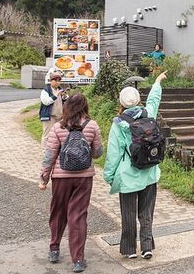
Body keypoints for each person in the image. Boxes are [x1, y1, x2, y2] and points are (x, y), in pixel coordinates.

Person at [103, 70, 168, 260]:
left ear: (121, 104)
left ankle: (130, 249)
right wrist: (157, 82)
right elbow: (154, 100)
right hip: (150, 172)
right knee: (146, 213)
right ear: (139, 100)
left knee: (129, 213)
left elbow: (113, 154)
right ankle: (147, 247)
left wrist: (108, 176)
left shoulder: (119, 123)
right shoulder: (148, 114)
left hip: (128, 177)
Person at [39, 94, 103, 273]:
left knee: (58, 213)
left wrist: (43, 177)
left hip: (61, 178)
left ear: (67, 106)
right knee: (78, 216)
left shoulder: (58, 127)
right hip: (84, 178)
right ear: (85, 106)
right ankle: (78, 260)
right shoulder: (92, 125)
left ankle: (54, 249)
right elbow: (98, 153)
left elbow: (49, 155)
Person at [40, 72, 68, 147]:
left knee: (59, 135)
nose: (57, 82)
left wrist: (64, 97)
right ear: (50, 80)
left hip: (60, 117)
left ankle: (56, 152)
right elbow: (46, 102)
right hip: (50, 117)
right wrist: (55, 95)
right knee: (47, 135)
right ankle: (46, 152)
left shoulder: (60, 90)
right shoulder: (45, 91)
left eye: (59, 80)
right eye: (55, 80)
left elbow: (65, 100)